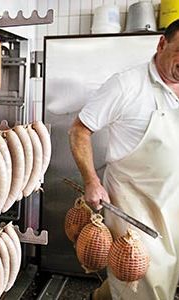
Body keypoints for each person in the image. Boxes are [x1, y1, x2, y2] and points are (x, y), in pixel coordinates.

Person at [69, 19, 179, 300]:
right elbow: (80, 130)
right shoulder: (127, 85)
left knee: (166, 274)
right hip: (135, 206)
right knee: (145, 284)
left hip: (173, 201)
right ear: (162, 44)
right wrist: (91, 181)